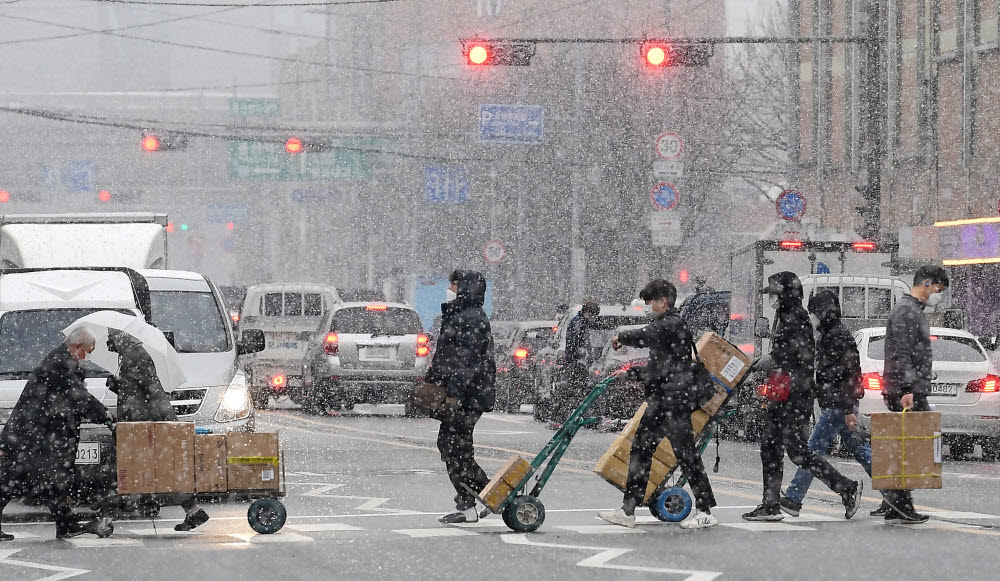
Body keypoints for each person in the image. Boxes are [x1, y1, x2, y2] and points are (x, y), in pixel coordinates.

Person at [598, 279, 718, 530]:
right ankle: (628, 510)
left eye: (649, 302)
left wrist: (621, 336)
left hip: (674, 401)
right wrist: (631, 374)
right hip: (661, 400)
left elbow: (646, 337)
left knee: (686, 453)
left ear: (664, 302)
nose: (647, 307)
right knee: (641, 450)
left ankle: (706, 510)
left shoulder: (673, 324)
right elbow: (660, 368)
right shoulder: (665, 326)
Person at [743, 272, 862, 522]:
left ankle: (845, 487)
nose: (772, 299)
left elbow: (799, 355)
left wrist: (773, 359)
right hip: (784, 392)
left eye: (774, 294)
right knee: (770, 446)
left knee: (796, 451)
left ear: (786, 294)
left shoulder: (795, 317)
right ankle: (771, 503)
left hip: (795, 395)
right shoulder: (784, 315)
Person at [0, 328, 113, 540]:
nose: (87, 357)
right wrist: (103, 414)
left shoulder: (62, 362)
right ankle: (66, 524)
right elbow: (78, 397)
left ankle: (66, 524)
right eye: (87, 351)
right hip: (36, 435)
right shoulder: (58, 365)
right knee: (18, 479)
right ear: (77, 347)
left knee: (44, 481)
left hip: (37, 434)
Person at [780, 290, 885, 517]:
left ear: (824, 312)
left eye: (815, 312)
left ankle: (793, 498)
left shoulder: (837, 335)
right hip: (838, 403)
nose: (813, 316)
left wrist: (847, 410)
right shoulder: (830, 333)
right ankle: (893, 493)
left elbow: (849, 374)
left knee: (813, 450)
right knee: (860, 450)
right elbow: (831, 374)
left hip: (839, 405)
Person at [102, 329, 209, 532]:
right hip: (135, 424)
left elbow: (152, 389)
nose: (109, 342)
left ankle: (106, 516)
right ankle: (192, 510)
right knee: (153, 469)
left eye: (111, 337)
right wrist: (118, 385)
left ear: (121, 336)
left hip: (138, 426)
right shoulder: (130, 356)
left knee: (124, 468)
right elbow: (136, 389)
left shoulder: (136, 356)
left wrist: (171, 423)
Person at [879, 265, 949, 524]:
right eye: (939, 289)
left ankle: (895, 502)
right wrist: (907, 390)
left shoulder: (912, 311)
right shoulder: (906, 312)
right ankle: (900, 504)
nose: (938, 295)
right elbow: (901, 353)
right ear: (927, 283)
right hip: (906, 391)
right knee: (912, 447)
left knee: (907, 447)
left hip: (910, 389)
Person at [425, 270, 496, 524]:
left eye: (453, 285)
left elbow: (466, 361)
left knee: (455, 448)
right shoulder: (460, 314)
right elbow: (448, 356)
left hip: (468, 396)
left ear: (465, 288)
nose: (450, 288)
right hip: (463, 394)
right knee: (454, 447)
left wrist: (453, 394)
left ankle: (485, 496)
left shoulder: (472, 317)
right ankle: (478, 498)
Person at [557, 300, 600, 422]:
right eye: (591, 315)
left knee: (574, 389)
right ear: (587, 312)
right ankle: (567, 415)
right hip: (576, 362)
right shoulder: (578, 323)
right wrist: (578, 354)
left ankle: (566, 415)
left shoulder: (580, 322)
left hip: (575, 360)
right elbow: (574, 341)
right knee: (576, 388)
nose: (592, 318)